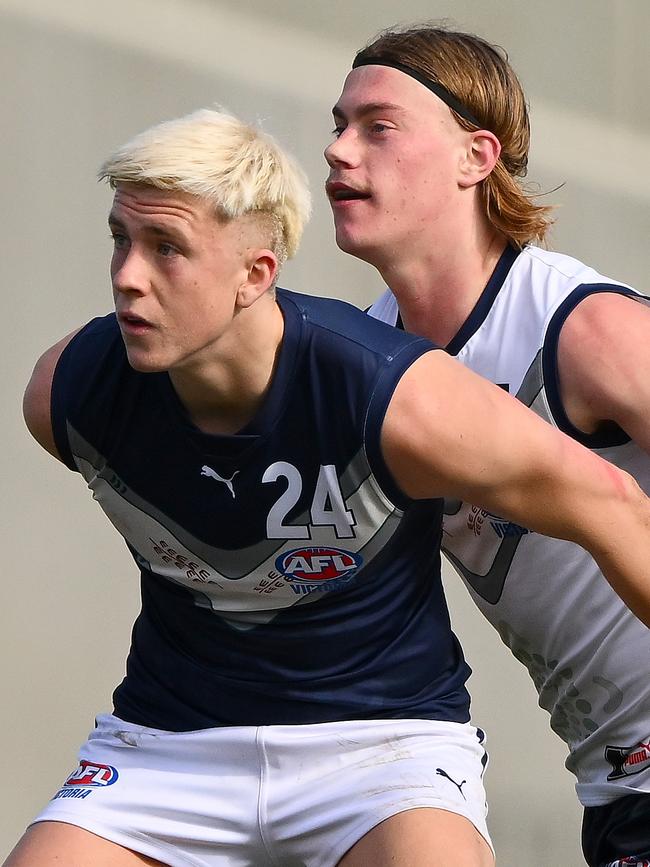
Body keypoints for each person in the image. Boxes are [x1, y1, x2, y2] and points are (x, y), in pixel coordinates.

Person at [7, 109, 650, 867]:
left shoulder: (390, 392)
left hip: (379, 752)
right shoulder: (69, 394)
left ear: (257, 273)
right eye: (121, 238)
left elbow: (613, 504)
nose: (127, 276)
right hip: (165, 745)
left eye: (166, 248)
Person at [324, 23, 650, 867]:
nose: (337, 151)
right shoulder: (366, 368)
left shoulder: (585, 328)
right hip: (619, 791)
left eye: (377, 126)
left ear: (477, 156)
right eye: (338, 124)